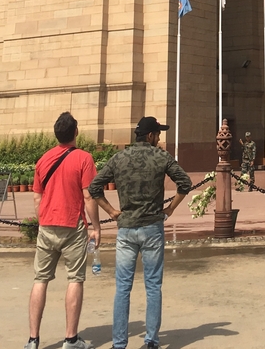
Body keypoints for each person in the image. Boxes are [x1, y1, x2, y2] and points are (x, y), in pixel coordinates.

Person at [88, 116, 192, 349]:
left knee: (123, 287)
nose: (159, 138)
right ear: (150, 136)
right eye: (158, 134)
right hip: (152, 227)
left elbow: (94, 187)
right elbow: (184, 183)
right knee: (153, 285)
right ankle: (151, 341)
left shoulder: (119, 158)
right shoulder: (161, 157)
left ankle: (119, 343)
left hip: (126, 228)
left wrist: (112, 211)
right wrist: (170, 209)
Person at [26, 111, 100, 349]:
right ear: (75, 132)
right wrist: (96, 227)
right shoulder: (84, 159)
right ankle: (70, 339)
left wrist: (44, 219)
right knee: (75, 280)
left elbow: (37, 197)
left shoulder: (43, 159)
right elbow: (89, 196)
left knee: (40, 280)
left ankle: (33, 339)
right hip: (73, 225)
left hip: (46, 225)